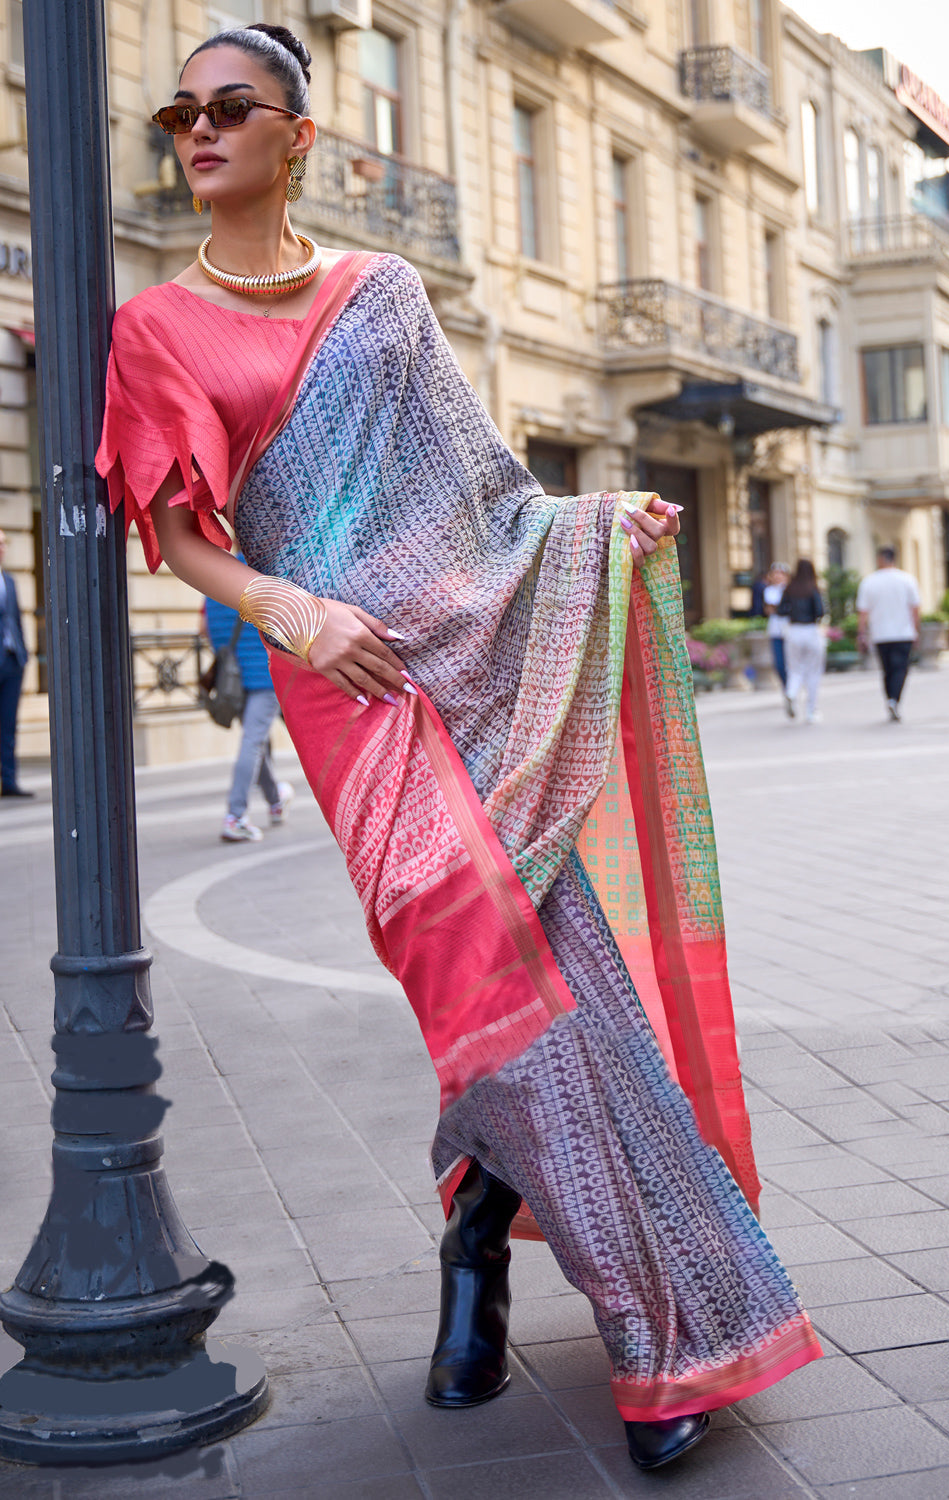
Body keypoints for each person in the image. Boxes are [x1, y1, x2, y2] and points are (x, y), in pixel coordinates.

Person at [95, 23, 821, 1471]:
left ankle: (623, 1311)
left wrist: (600, 524)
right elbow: (177, 534)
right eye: (183, 108)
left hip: (477, 675)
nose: (199, 128)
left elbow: (487, 495)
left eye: (232, 106)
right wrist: (292, 611)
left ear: (300, 136)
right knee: (477, 985)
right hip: (348, 694)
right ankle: (506, 1238)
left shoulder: (386, 298)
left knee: (556, 994)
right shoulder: (158, 327)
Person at [203, 579, 294, 842]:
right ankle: (236, 816)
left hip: (232, 679)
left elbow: (208, 630)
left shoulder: (213, 577)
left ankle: (276, 800)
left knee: (256, 741)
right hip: (264, 678)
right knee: (253, 742)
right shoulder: (262, 578)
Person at [856, 546, 920, 722]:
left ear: (880, 559)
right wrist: (916, 630)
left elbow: (863, 612)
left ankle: (891, 699)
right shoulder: (907, 580)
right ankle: (894, 699)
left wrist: (861, 633)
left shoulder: (869, 581)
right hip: (903, 633)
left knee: (887, 670)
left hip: (880, 634)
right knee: (900, 669)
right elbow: (915, 609)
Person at [0, 529, 32, 799]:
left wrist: (24, 654)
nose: (1, 548)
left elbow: (16, 619)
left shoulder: (9, 581)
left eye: (3, 544)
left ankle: (9, 781)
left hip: (12, 662)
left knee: (8, 725)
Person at [778, 559, 826, 724]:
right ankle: (811, 711)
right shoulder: (813, 588)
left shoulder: (789, 589)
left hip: (794, 631)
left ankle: (791, 693)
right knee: (813, 672)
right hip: (811, 630)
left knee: (795, 669)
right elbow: (820, 611)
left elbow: (780, 610)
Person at [762, 561, 790, 687]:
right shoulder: (769, 590)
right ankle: (787, 687)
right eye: (775, 574)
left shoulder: (790, 590)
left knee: (791, 662)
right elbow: (770, 608)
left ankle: (792, 687)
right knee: (779, 663)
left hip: (789, 629)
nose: (777, 576)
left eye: (780, 574)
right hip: (776, 630)